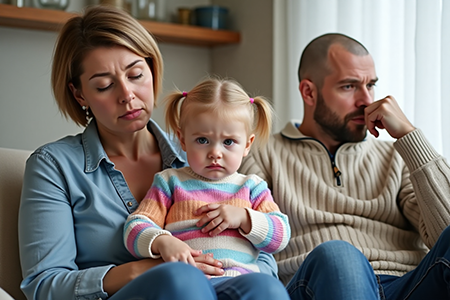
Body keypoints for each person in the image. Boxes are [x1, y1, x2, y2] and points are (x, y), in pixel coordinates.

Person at [18, 5, 283, 300]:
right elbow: (44, 286)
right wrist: (148, 268)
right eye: (105, 85)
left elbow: (262, 253)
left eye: (136, 75)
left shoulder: (203, 152)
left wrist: (237, 272)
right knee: (180, 281)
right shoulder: (54, 166)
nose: (127, 95)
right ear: (79, 94)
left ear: (153, 71)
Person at [239, 32, 450, 300]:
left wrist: (410, 137)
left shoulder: (397, 156)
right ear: (309, 92)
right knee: (339, 254)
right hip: (320, 284)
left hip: (406, 286)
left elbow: (445, 232)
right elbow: (241, 240)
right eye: (349, 86)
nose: (366, 100)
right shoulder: (262, 153)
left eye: (370, 85)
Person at [123, 78, 291, 284]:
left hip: (242, 281)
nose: (215, 153)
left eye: (228, 142)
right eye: (202, 140)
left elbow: (281, 236)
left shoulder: (252, 187)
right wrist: (163, 241)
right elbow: (134, 227)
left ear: (247, 145)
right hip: (191, 281)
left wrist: (245, 218)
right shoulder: (170, 182)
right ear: (182, 140)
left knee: (265, 288)